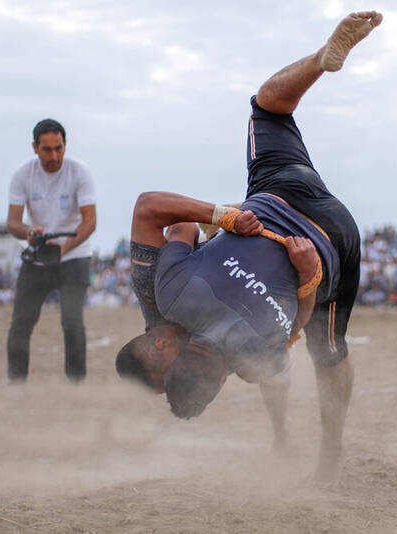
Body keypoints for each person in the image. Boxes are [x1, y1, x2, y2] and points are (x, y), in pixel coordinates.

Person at [116, 11, 382, 483]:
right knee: (310, 351)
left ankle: (323, 58)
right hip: (303, 224)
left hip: (302, 217)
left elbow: (158, 212)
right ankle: (309, 444)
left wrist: (226, 218)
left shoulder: (159, 295)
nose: (175, 379)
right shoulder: (188, 311)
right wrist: (303, 278)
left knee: (268, 105)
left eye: (166, 378)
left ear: (161, 345)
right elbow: (182, 228)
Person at [6, 119, 97, 382]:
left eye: (59, 148)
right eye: (47, 150)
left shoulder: (80, 172)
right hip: (37, 257)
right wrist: (29, 232)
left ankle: (76, 386)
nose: (54, 156)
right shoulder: (22, 175)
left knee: (72, 322)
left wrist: (64, 247)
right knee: (21, 323)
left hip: (74, 255)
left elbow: (90, 221)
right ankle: (16, 386)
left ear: (65, 145)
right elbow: (12, 222)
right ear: (35, 147)